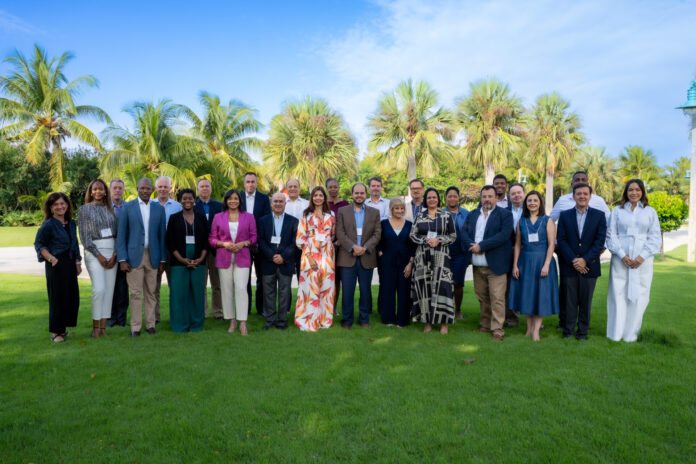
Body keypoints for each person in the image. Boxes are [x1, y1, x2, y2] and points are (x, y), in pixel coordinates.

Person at [606, 179, 662, 342]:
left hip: (642, 260)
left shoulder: (650, 211)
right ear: (626, 192)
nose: (634, 193)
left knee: (640, 294)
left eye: (637, 190)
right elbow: (611, 234)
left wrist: (641, 257)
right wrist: (622, 254)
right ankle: (615, 334)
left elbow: (655, 237)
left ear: (642, 192)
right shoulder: (617, 211)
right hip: (620, 258)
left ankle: (631, 334)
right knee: (618, 293)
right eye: (630, 190)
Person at [462, 185, 514, 341]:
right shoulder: (472, 215)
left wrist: (482, 246)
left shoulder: (505, 215)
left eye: (490, 196)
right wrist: (472, 246)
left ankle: (497, 329)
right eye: (484, 196)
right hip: (477, 265)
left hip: (495, 265)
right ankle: (485, 325)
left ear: (496, 198)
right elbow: (463, 233)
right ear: (481, 198)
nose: (487, 199)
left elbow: (504, 235)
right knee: (482, 297)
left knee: (497, 297)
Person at [117, 177, 167, 337]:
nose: (145, 191)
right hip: (133, 257)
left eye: (148, 188)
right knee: (136, 293)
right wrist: (122, 259)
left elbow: (162, 236)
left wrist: (162, 260)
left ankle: (151, 325)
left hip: (153, 256)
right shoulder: (128, 207)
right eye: (142, 188)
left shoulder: (158, 208)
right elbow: (122, 235)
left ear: (152, 190)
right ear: (137, 188)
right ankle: (136, 327)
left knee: (151, 292)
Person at [556, 183, 607, 340]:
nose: (582, 196)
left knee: (586, 301)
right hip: (569, 265)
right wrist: (574, 260)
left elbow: (599, 241)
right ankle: (568, 331)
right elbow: (561, 240)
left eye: (585, 194)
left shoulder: (599, 215)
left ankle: (582, 332)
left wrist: (585, 260)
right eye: (579, 194)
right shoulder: (564, 215)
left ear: (590, 197)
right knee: (569, 300)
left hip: (590, 266)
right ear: (573, 196)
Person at [508, 191, 559, 341]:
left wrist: (547, 264)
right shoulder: (521, 221)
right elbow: (517, 245)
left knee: (540, 295)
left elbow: (551, 245)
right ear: (526, 203)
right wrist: (515, 265)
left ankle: (536, 330)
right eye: (529, 200)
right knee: (528, 295)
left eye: (535, 200)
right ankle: (529, 329)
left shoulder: (547, 220)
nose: (532, 203)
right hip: (525, 261)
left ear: (540, 203)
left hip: (542, 261)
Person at [34, 192, 82, 343]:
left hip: (69, 263)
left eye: (62, 203)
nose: (60, 207)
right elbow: (39, 244)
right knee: (57, 298)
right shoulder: (48, 224)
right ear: (50, 207)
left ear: (67, 205)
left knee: (71, 297)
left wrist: (77, 262)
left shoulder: (71, 223)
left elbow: (74, 244)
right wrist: (50, 258)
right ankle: (55, 332)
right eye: (56, 205)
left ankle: (63, 329)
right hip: (56, 264)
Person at [210, 189, 257, 335]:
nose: (233, 201)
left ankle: (243, 322)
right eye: (230, 199)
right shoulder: (218, 217)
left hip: (242, 256)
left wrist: (244, 243)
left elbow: (254, 237)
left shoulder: (248, 217)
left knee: (242, 288)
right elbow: (211, 238)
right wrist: (224, 244)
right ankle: (232, 321)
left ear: (240, 201)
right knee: (226, 289)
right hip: (224, 256)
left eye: (236, 198)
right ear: (226, 201)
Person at [410, 188, 457, 333]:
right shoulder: (419, 216)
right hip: (423, 257)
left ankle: (444, 322)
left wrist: (439, 240)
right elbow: (412, 235)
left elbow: (453, 236)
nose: (431, 200)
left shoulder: (446, 216)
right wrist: (426, 240)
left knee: (443, 287)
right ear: (426, 199)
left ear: (438, 199)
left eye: (434, 197)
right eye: (429, 197)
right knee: (426, 288)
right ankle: (428, 321)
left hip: (441, 256)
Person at [336, 183, 381, 329]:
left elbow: (377, 233)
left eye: (362, 193)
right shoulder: (343, 211)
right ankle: (347, 320)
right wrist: (352, 247)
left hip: (366, 257)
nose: (359, 195)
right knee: (347, 292)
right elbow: (340, 232)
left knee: (365, 291)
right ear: (352, 194)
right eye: (357, 193)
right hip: (347, 257)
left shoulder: (374, 212)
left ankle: (364, 319)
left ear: (366, 194)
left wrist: (365, 247)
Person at [78, 179, 118, 338]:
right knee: (99, 289)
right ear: (90, 191)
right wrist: (99, 256)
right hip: (94, 253)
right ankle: (95, 328)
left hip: (112, 252)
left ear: (105, 191)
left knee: (109, 291)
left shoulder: (111, 209)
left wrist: (115, 254)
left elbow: (117, 234)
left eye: (101, 189)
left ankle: (103, 328)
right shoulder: (84, 210)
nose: (98, 192)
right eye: (95, 189)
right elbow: (85, 237)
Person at [166, 189, 209, 333]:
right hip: (179, 261)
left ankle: (196, 324)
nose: (187, 201)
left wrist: (201, 258)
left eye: (190, 198)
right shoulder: (174, 218)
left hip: (199, 260)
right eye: (184, 199)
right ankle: (180, 325)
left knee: (197, 293)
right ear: (180, 201)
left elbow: (206, 240)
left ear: (194, 200)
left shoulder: (202, 217)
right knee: (179, 294)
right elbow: (170, 242)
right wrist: (181, 259)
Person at [295, 186, 336, 331]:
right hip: (309, 254)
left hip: (327, 255)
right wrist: (310, 257)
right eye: (315, 195)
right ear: (312, 198)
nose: (318, 198)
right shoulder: (306, 215)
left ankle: (324, 320)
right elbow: (300, 239)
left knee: (326, 288)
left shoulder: (330, 215)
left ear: (325, 198)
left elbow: (333, 236)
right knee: (310, 288)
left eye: (321, 195)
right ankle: (308, 320)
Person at [258, 193, 299, 330]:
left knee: (284, 293)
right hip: (267, 262)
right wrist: (272, 256)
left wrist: (283, 256)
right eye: (275, 201)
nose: (278, 204)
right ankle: (269, 321)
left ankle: (281, 321)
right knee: (268, 293)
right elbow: (261, 240)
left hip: (285, 263)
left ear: (285, 204)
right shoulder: (263, 220)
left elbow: (295, 242)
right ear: (271, 203)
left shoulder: (293, 221)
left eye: (281, 201)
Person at [377, 197, 415, 327]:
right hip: (387, 262)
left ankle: (402, 320)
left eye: (401, 208)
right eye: (396, 208)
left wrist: (410, 263)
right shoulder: (384, 224)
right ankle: (388, 319)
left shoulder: (410, 225)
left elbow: (413, 246)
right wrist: (380, 252)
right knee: (388, 289)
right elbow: (378, 240)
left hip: (405, 263)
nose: (399, 211)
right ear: (391, 209)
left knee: (404, 290)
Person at [239, 172, 271, 316]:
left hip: (259, 244)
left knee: (261, 276)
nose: (250, 184)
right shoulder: (237, 197)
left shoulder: (264, 198)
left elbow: (265, 221)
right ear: (244, 183)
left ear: (256, 183)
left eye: (253, 182)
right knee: (244, 277)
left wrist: (258, 240)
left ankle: (261, 308)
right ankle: (245, 308)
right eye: (248, 182)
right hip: (242, 244)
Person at [153, 175, 182, 324]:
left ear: (170, 188)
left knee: (175, 286)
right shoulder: (149, 205)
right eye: (160, 186)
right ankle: (155, 318)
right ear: (156, 188)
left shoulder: (178, 206)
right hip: (155, 250)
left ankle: (176, 316)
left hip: (173, 251)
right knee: (154, 287)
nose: (163, 189)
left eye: (166, 186)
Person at [194, 178, 223, 319]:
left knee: (217, 284)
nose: (204, 188)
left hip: (216, 251)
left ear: (211, 189)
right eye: (202, 186)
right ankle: (202, 312)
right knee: (201, 284)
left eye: (207, 186)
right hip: (199, 251)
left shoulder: (219, 206)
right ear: (198, 189)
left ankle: (218, 312)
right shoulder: (192, 206)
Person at [444, 186, 469, 320]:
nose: (452, 198)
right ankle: (446, 308)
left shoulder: (466, 214)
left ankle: (457, 309)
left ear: (458, 198)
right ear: (446, 198)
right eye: (450, 196)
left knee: (457, 282)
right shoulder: (440, 213)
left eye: (455, 196)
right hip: (445, 251)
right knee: (445, 282)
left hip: (461, 252)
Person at [326, 177, 349, 312]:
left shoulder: (345, 204)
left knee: (337, 279)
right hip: (326, 246)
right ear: (327, 189)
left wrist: (340, 240)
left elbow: (348, 224)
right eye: (330, 187)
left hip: (341, 247)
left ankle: (333, 308)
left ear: (339, 188)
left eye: (335, 187)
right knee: (327, 278)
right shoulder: (323, 204)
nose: (333, 189)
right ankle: (325, 306)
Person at [108, 178, 129, 328]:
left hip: (124, 253)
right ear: (110, 190)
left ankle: (121, 320)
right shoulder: (104, 208)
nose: (117, 190)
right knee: (109, 287)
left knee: (122, 289)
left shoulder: (129, 207)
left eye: (120, 188)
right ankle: (110, 319)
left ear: (123, 190)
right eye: (115, 188)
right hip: (108, 251)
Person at [506, 182, 525, 327]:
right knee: (509, 286)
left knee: (529, 285)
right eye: (513, 193)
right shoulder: (504, 212)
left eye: (519, 192)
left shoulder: (533, 210)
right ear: (509, 196)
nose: (516, 195)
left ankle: (534, 318)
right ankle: (512, 319)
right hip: (508, 253)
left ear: (524, 194)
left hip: (528, 253)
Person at [283, 178, 309, 281]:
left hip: (302, 244)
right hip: (285, 244)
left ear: (299, 188)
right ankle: (286, 297)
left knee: (302, 274)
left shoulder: (307, 204)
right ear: (287, 188)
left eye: (295, 186)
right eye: (290, 186)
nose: (293, 188)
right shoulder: (281, 203)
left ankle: (302, 297)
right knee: (285, 276)